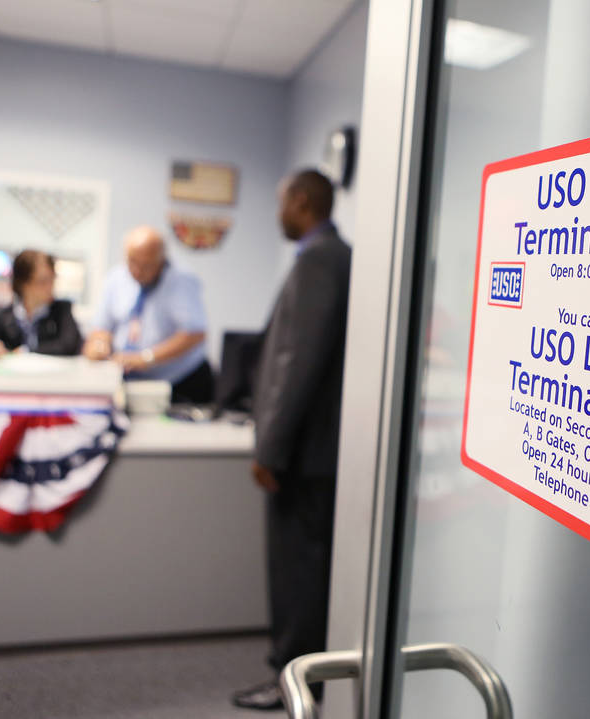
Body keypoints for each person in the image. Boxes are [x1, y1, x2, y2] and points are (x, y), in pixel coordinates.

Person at [232, 170, 351, 711]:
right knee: (308, 571)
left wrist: (270, 449)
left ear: (301, 202)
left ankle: (293, 680)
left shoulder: (320, 259)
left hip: (302, 455)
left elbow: (295, 362)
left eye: (282, 202)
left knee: (297, 574)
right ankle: (303, 675)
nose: (278, 211)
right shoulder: (330, 256)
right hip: (316, 451)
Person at [82, 225, 214, 404]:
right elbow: (102, 327)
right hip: (128, 381)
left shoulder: (182, 281)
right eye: (132, 261)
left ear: (161, 260)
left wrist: (146, 358)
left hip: (179, 381)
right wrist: (99, 344)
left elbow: (195, 333)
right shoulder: (116, 278)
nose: (137, 270)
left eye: (145, 265)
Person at [0, 249, 82, 360]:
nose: (50, 287)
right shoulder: (1, 314)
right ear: (23, 283)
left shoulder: (62, 310)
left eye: (52, 280)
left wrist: (25, 351)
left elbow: (68, 345)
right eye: (43, 281)